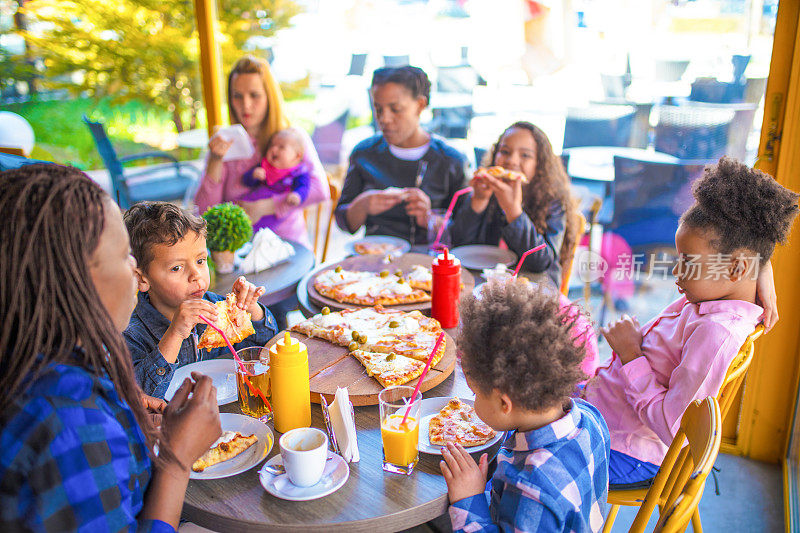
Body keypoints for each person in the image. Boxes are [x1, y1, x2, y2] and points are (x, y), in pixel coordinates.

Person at [0, 164, 221, 531]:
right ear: (75, 283)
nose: (136, 273)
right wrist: (176, 460)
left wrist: (126, 406)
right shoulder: (69, 429)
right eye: (124, 257)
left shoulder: (51, 362)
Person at [582, 157, 799, 486]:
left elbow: (674, 429)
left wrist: (630, 355)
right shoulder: (717, 289)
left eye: (688, 261)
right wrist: (762, 270)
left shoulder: (716, 332)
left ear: (739, 269)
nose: (677, 271)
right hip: (608, 409)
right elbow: (749, 258)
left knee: (520, 434)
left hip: (626, 449)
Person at [441, 278, 610, 532]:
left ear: (504, 403)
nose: (473, 399)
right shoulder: (590, 416)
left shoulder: (531, 488)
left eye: (475, 393)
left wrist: (469, 500)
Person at [123, 201, 278, 399]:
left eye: (200, 261)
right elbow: (139, 395)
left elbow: (264, 348)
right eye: (177, 268)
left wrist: (251, 310)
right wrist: (176, 332)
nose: (196, 275)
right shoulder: (131, 334)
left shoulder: (216, 309)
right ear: (142, 279)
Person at [194, 54, 330, 249]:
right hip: (240, 250)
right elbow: (204, 212)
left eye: (254, 95)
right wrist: (215, 160)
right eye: (237, 96)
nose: (245, 105)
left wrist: (265, 207)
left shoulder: (291, 138)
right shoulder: (224, 143)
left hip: (288, 247)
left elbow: (320, 190)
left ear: (269, 96)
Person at [335, 65, 467, 245]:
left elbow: (464, 232)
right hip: (375, 261)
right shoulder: (364, 154)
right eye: (378, 108)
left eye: (395, 109)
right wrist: (362, 205)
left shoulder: (451, 161)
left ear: (420, 105)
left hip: (427, 263)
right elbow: (345, 224)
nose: (384, 118)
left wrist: (429, 219)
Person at [450, 121, 578, 287]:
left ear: (540, 164)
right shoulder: (487, 192)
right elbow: (460, 246)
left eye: (525, 155)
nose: (512, 161)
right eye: (504, 151)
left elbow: (540, 263)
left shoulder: (552, 201)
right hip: (486, 286)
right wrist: (479, 201)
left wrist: (514, 212)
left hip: (535, 293)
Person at [239, 128, 312, 233]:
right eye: (272, 145)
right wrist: (253, 175)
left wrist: (297, 195)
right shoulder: (264, 166)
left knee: (257, 232)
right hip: (249, 204)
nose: (274, 149)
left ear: (297, 155)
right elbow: (246, 181)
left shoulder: (299, 172)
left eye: (281, 147)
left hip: (269, 216)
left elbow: (304, 187)